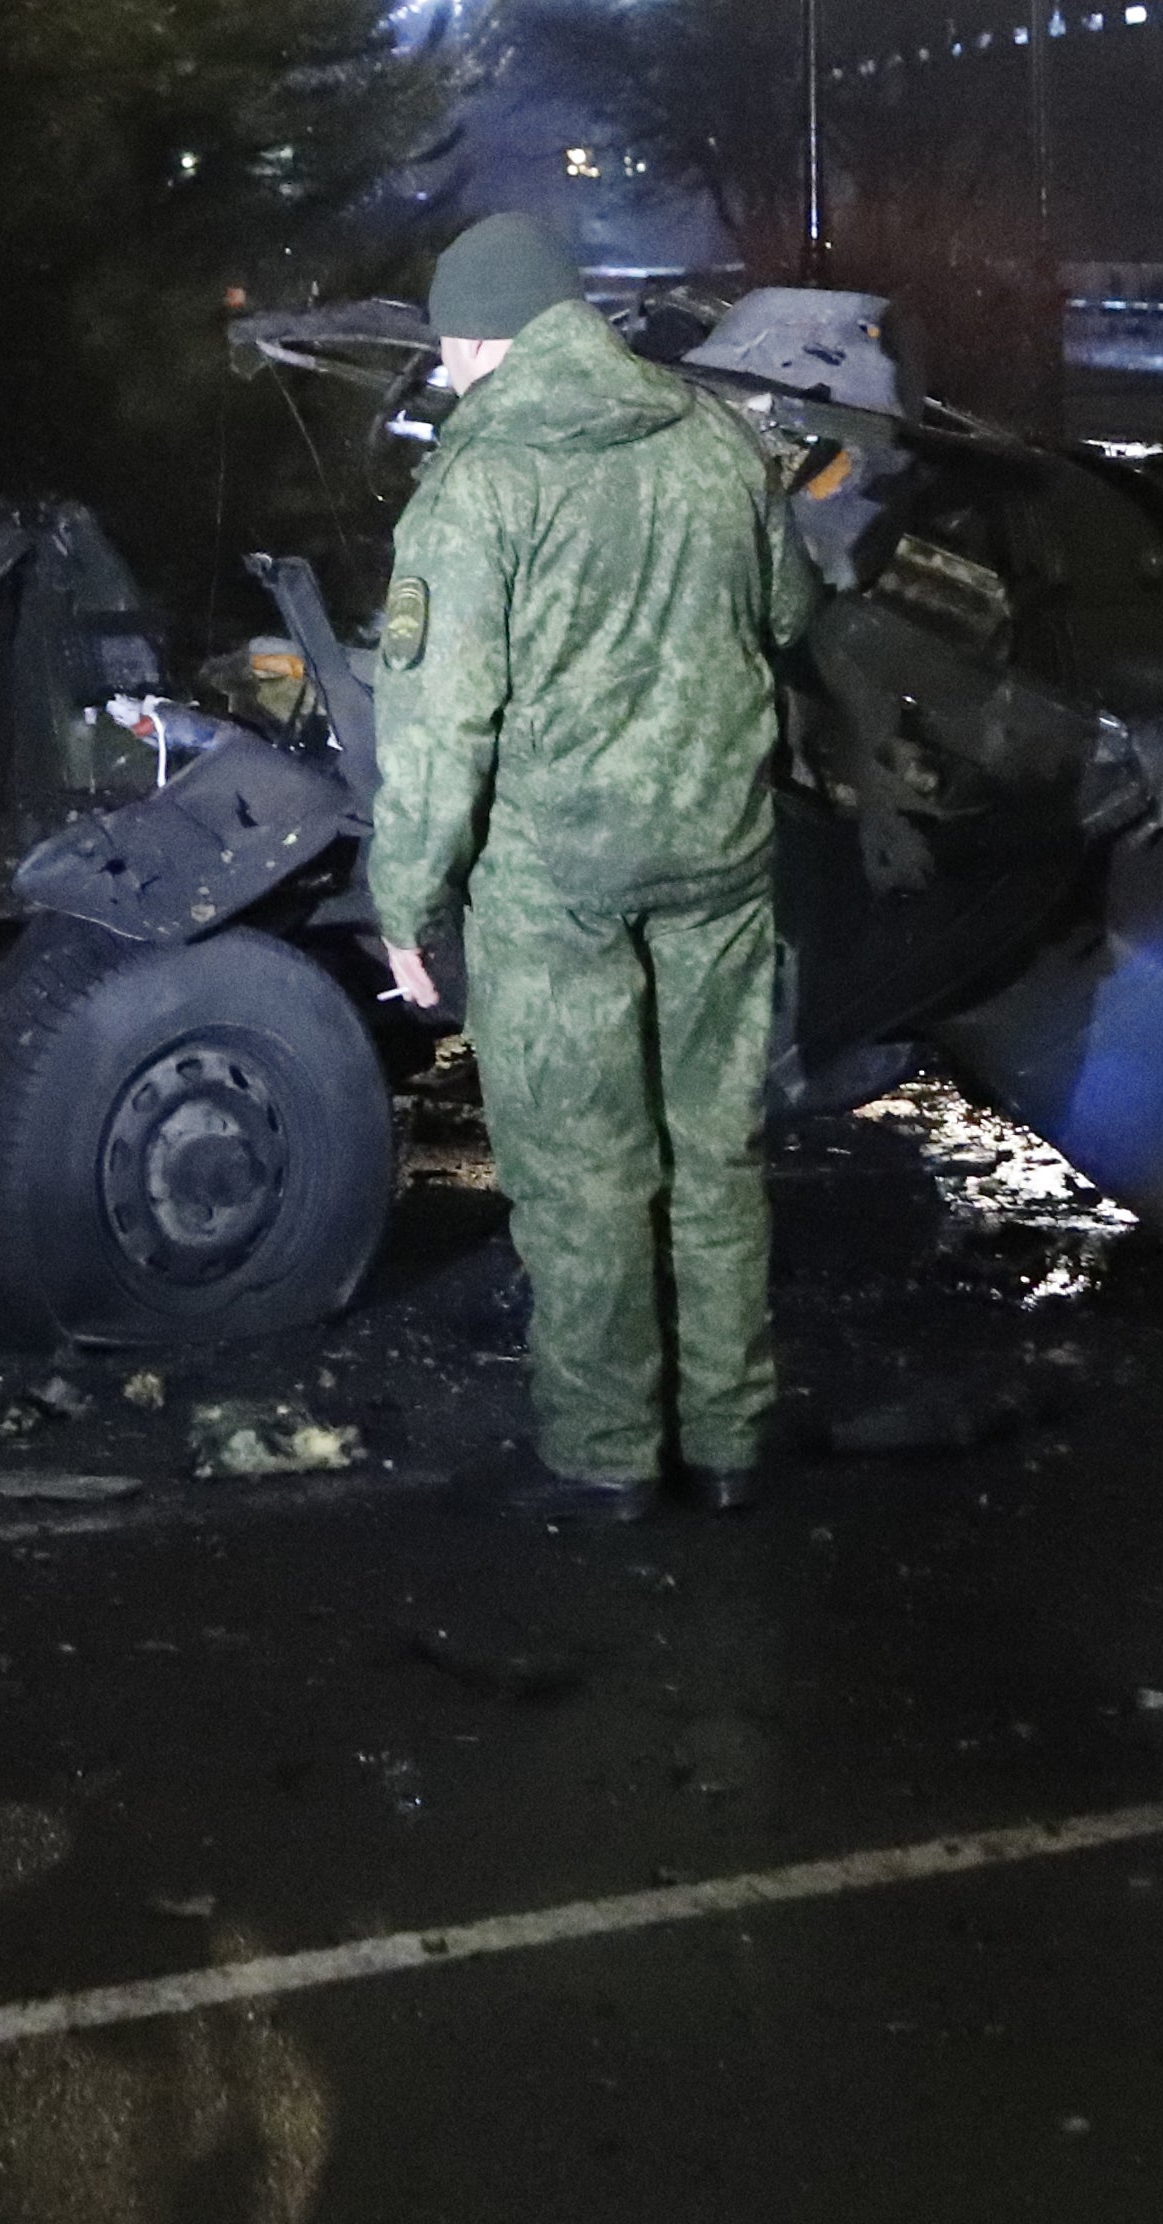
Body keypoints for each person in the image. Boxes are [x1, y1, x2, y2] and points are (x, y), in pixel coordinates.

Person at [369, 215, 813, 1525]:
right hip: (719, 854)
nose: (447, 380)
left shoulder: (481, 482)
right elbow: (787, 618)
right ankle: (732, 1439)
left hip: (556, 879)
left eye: (449, 351)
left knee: (583, 1174)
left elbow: (443, 722)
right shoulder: (717, 436)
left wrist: (407, 901)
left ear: (475, 336)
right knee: (717, 1153)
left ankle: (609, 1454)